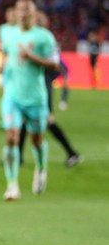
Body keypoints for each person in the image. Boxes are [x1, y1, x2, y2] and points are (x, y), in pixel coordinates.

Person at [0, 0, 61, 201]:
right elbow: (7, 56)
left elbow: (55, 65)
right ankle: (12, 185)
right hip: (12, 96)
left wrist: (32, 57)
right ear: (15, 13)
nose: (23, 14)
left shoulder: (44, 37)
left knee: (37, 139)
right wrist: (3, 70)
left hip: (35, 98)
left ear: (34, 14)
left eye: (27, 10)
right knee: (11, 137)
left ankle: (41, 168)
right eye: (20, 10)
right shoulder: (8, 34)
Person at [17, 10, 82, 168]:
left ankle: (72, 153)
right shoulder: (32, 38)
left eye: (38, 19)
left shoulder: (46, 39)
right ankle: (18, 157)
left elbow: (55, 64)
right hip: (34, 84)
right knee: (25, 118)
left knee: (46, 120)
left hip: (43, 85)